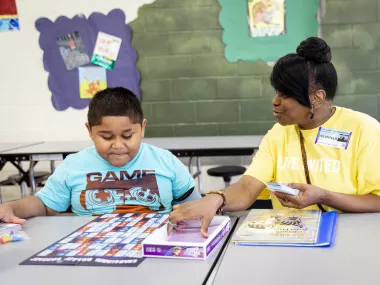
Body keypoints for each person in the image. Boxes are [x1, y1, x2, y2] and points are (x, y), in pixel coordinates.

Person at [169, 37, 380, 237]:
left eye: (285, 94)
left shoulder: (363, 129)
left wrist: (324, 196)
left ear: (317, 97)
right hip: (290, 239)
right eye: (276, 92)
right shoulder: (278, 134)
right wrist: (216, 198)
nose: (275, 101)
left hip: (351, 238)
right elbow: (247, 188)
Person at [0, 87, 200, 224]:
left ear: (143, 128)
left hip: (153, 250)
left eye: (128, 135)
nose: (118, 145)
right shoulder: (74, 165)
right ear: (90, 131)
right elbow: (44, 205)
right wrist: (12, 207)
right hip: (91, 250)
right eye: (106, 136)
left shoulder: (166, 162)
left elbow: (196, 207)